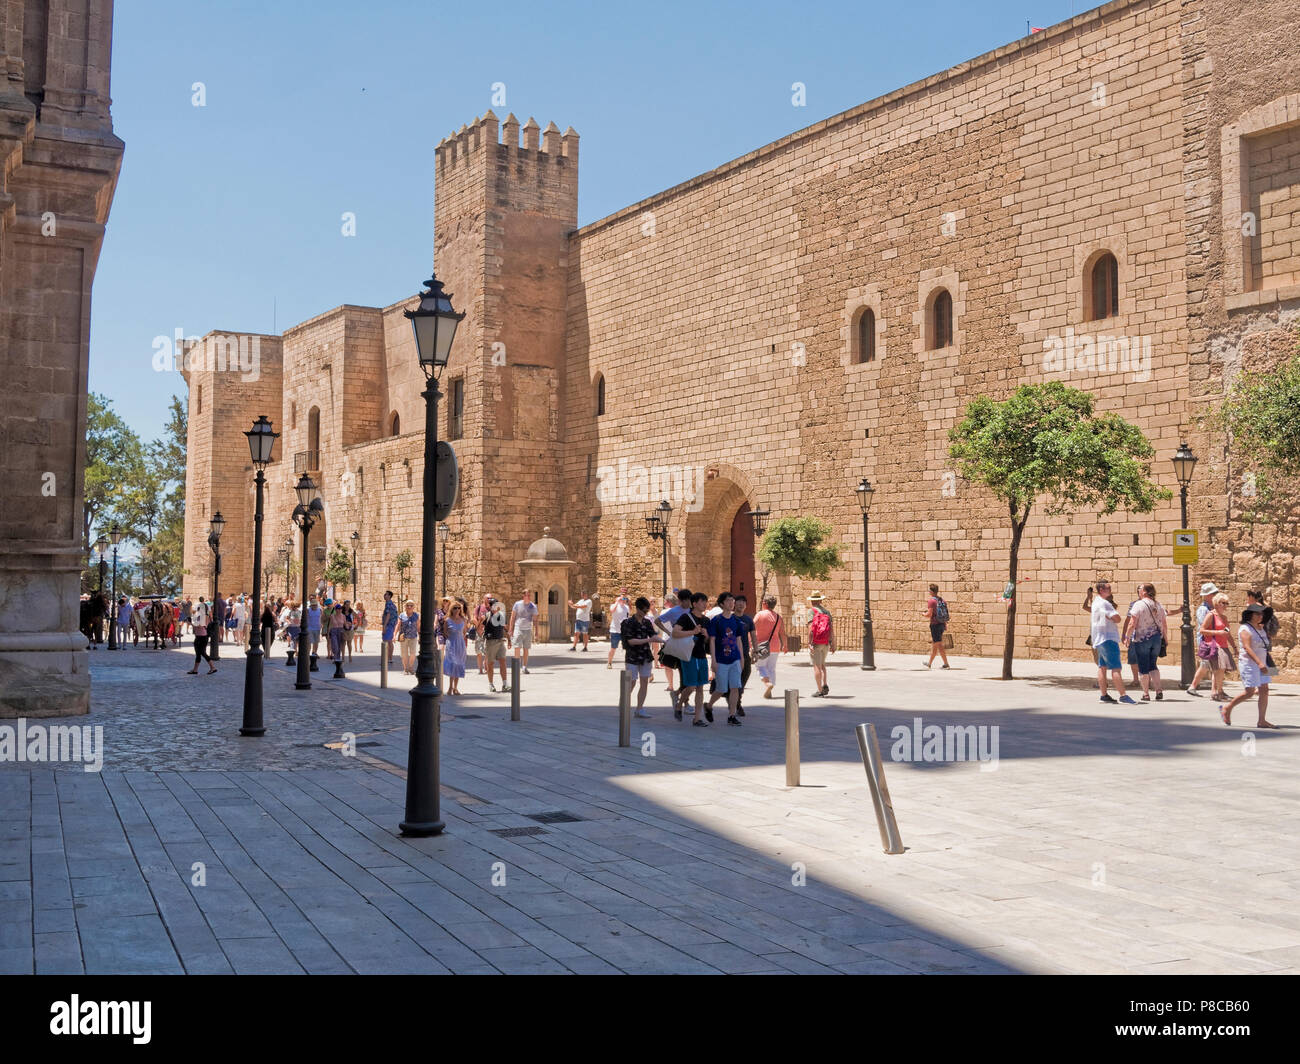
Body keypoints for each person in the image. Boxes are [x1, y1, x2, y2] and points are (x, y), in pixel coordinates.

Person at [1221, 603, 1277, 729]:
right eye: (1258, 613)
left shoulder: (1261, 628)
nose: (1260, 616)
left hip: (1263, 663)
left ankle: (1262, 720)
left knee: (1264, 690)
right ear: (1250, 615)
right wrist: (1259, 663)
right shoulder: (1245, 629)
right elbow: (1247, 648)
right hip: (1250, 664)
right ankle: (1227, 708)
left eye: (1262, 614)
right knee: (1249, 692)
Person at [706, 592, 749, 727]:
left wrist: (742, 658)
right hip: (721, 660)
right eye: (729, 601)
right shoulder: (716, 621)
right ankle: (708, 705)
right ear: (722, 604)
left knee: (735, 687)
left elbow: (739, 640)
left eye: (733, 600)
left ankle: (731, 715)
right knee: (721, 689)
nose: (732, 603)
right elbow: (712, 641)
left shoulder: (737, 621)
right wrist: (713, 660)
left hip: (735, 658)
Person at [1090, 580, 1135, 704]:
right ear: (1101, 590)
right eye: (1108, 588)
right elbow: (1118, 618)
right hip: (1108, 638)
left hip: (1099, 638)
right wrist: (1112, 617)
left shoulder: (1095, 602)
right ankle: (1123, 695)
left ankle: (1104, 695)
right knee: (1116, 668)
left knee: (1102, 667)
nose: (1110, 591)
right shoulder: (1105, 604)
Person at [671, 592, 711, 726]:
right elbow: (675, 633)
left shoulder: (706, 620)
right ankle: (680, 704)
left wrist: (706, 636)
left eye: (705, 601)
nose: (705, 604)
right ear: (694, 604)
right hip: (688, 655)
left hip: (702, 655)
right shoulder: (686, 617)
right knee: (692, 685)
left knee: (700, 687)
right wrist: (693, 632)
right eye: (702, 601)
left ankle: (697, 718)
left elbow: (707, 640)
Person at [1124, 583, 1167, 701]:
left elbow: (1132, 623)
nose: (1139, 591)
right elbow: (1164, 623)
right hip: (1157, 638)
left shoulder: (1139, 604)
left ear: (1145, 592)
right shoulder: (1158, 605)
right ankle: (1158, 690)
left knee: (1143, 666)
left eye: (1140, 589)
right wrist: (1165, 638)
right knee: (1153, 664)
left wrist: (1127, 637)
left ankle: (1146, 694)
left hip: (1142, 638)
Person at [1193, 592, 1235, 702]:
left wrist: (1234, 647)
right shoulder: (1211, 615)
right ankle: (1216, 692)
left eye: (1227, 603)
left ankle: (1218, 691)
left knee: (1221, 670)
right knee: (1218, 670)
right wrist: (1218, 632)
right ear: (1216, 603)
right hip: (1214, 646)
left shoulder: (1224, 618)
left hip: (1223, 646)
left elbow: (1228, 633)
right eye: (1223, 603)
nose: (1225, 605)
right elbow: (1202, 630)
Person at [621, 597, 658, 718]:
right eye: (643, 611)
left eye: (647, 611)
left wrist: (666, 641)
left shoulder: (647, 622)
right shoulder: (628, 623)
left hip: (645, 655)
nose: (645, 613)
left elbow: (653, 636)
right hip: (632, 656)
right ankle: (624, 704)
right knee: (631, 682)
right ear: (637, 609)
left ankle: (639, 708)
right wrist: (648, 640)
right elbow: (630, 641)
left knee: (644, 682)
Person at [1185, 582, 1220, 695]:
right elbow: (1204, 625)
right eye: (1213, 593)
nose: (1216, 595)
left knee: (1208, 665)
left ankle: (1194, 687)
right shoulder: (1203, 609)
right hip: (1207, 641)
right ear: (1207, 596)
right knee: (1212, 665)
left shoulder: (1213, 608)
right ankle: (1216, 691)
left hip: (1213, 640)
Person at [753, 595, 787, 699]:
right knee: (771, 668)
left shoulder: (760, 615)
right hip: (775, 646)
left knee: (760, 666)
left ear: (765, 603)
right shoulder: (778, 617)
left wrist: (750, 643)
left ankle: (767, 684)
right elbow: (783, 633)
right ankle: (770, 687)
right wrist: (785, 645)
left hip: (761, 646)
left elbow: (751, 629)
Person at [807, 592, 835, 696]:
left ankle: (819, 691)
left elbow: (810, 629)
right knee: (823, 665)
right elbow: (831, 629)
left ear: (812, 601)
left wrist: (809, 643)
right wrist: (833, 644)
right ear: (821, 600)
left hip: (816, 643)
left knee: (817, 666)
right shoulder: (827, 612)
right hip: (826, 643)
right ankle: (825, 684)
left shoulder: (811, 611)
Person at [733, 594, 756, 716]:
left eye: (743, 602)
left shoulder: (748, 620)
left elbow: (753, 636)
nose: (741, 604)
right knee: (736, 679)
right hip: (732, 654)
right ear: (734, 604)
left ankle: (737, 697)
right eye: (739, 602)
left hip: (745, 654)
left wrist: (756, 651)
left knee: (746, 674)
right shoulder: (730, 618)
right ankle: (737, 703)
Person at [483, 597, 509, 691]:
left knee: (503, 661)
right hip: (490, 642)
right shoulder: (486, 616)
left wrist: (509, 640)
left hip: (500, 641)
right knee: (490, 664)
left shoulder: (501, 616)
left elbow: (505, 628)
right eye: (493, 605)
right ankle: (491, 684)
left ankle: (505, 684)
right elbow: (480, 628)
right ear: (489, 606)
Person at [442, 601, 467, 695]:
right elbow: (444, 632)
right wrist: (451, 638)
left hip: (460, 644)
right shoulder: (447, 620)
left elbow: (464, 632)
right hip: (451, 644)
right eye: (455, 608)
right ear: (451, 609)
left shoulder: (463, 619)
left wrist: (460, 638)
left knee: (459, 665)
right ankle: (450, 687)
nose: (457, 610)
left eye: (458, 608)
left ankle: (455, 688)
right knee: (453, 664)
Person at [510, 590, 538, 674]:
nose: (529, 597)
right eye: (527, 595)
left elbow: (535, 620)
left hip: (528, 629)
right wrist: (510, 629)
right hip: (518, 628)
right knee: (517, 648)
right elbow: (513, 616)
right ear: (523, 596)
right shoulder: (517, 604)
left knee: (526, 649)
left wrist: (536, 631)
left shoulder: (533, 606)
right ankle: (516, 666)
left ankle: (524, 667)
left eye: (530, 595)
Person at [923, 584, 950, 669]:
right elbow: (945, 613)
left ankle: (933, 663)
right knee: (938, 644)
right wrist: (945, 624)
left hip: (935, 625)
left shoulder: (931, 601)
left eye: (929, 590)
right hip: (941, 624)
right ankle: (938, 663)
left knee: (937, 644)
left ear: (931, 591)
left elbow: (929, 614)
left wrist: (923, 614)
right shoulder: (942, 600)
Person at [187, 596, 216, 674]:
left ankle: (212, 667)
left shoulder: (200, 616)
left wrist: (191, 623)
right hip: (203, 636)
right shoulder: (206, 616)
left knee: (201, 653)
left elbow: (199, 625)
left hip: (200, 636)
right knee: (199, 653)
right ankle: (195, 670)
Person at [606, 589, 630, 669]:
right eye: (622, 598)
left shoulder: (626, 607)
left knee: (627, 648)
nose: (623, 599)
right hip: (615, 630)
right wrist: (617, 602)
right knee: (613, 648)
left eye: (624, 598)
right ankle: (609, 662)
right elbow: (612, 611)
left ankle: (628, 664)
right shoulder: (614, 606)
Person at [398, 600, 419, 675]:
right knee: (404, 654)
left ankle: (410, 667)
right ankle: (405, 669)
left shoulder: (416, 615)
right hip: (403, 637)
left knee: (413, 653)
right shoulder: (402, 615)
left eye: (411, 605)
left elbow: (418, 626)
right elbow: (398, 625)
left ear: (413, 607)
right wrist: (394, 635)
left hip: (413, 637)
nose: (409, 607)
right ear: (405, 607)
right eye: (407, 605)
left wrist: (420, 635)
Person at [473, 594, 491, 673]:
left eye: (491, 598)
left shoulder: (492, 608)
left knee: (488, 650)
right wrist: (479, 624)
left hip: (488, 632)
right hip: (479, 632)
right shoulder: (479, 608)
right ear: (484, 599)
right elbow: (474, 618)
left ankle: (485, 663)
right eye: (488, 598)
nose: (489, 599)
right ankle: (480, 669)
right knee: (479, 651)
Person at [380, 590, 399, 670]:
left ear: (390, 596)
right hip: (391, 625)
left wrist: (384, 626)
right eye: (385, 594)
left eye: (386, 594)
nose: (385, 595)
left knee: (386, 641)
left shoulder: (388, 604)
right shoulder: (392, 604)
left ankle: (387, 659)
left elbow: (388, 615)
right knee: (390, 641)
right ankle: (390, 659)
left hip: (388, 625)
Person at [305, 595, 322, 661]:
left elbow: (321, 618)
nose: (314, 606)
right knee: (309, 642)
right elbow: (305, 618)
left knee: (316, 642)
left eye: (315, 605)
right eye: (313, 605)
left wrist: (321, 624)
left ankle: (314, 652)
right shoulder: (308, 610)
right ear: (311, 605)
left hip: (317, 628)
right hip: (310, 628)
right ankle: (308, 653)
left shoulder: (319, 610)